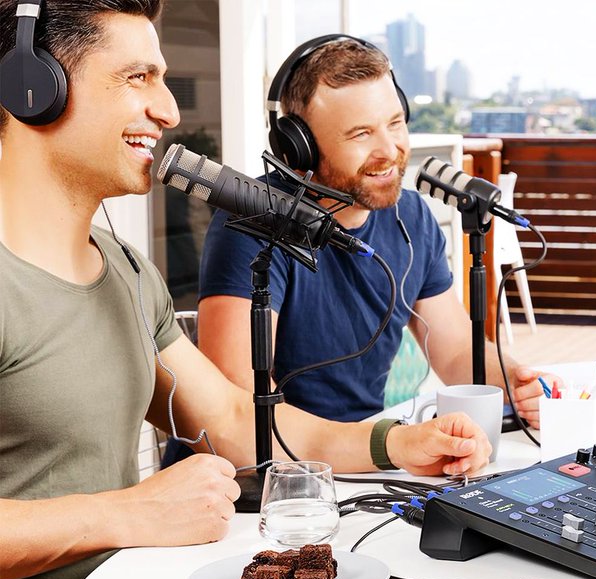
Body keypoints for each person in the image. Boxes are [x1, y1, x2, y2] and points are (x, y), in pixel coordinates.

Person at [0, 2, 492, 579]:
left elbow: (236, 420)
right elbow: (132, 512)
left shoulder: (129, 272)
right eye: (137, 77)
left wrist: (399, 444)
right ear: (33, 88)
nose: (169, 110)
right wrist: (127, 513)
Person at [190, 36, 553, 445]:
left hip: (366, 454)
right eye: (361, 133)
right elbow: (238, 406)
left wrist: (514, 381)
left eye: (395, 123)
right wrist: (388, 447)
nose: (389, 150)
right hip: (270, 467)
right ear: (299, 147)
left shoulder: (412, 218)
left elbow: (454, 351)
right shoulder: (254, 221)